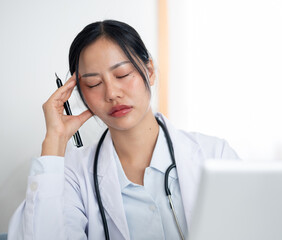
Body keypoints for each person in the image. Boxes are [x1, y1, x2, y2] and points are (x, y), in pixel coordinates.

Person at [8, 20, 239, 240]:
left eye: (122, 75)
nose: (111, 93)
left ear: (149, 71)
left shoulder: (214, 155)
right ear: (80, 93)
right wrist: (54, 141)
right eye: (93, 84)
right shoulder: (72, 175)